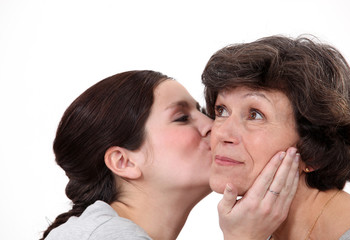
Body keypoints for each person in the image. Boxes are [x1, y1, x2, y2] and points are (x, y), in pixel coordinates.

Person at [41, 70, 299, 240]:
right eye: (183, 118)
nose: (213, 126)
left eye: (208, 111)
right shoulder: (106, 235)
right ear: (124, 161)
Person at [202, 35, 350, 239]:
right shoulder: (255, 228)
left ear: (315, 149)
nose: (221, 133)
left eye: (254, 115)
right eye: (221, 110)